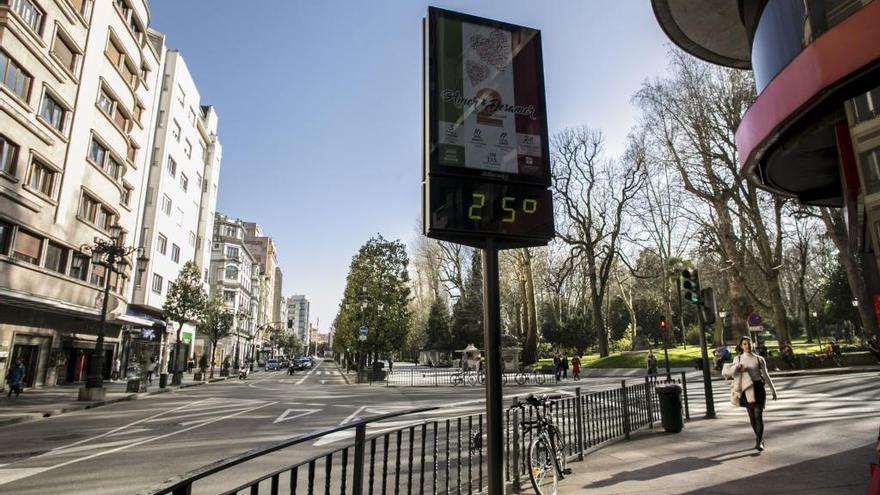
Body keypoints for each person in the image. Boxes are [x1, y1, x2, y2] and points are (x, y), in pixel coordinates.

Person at [722, 336, 777, 451]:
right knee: (752, 416)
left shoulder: (759, 359)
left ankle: (759, 440)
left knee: (758, 415)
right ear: (741, 346)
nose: (748, 346)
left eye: (749, 343)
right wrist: (737, 369)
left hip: (758, 388)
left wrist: (773, 390)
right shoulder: (737, 359)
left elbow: (766, 375)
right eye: (745, 344)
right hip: (746, 389)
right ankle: (758, 437)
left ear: (753, 345)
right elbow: (732, 375)